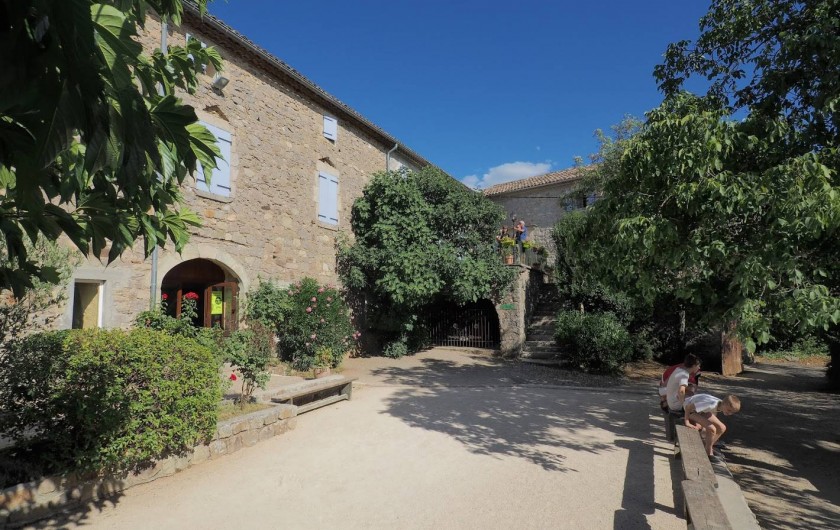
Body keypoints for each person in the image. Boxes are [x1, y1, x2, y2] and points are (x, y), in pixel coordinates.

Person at [683, 393, 741, 463]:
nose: (730, 413)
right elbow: (688, 407)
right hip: (690, 411)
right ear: (724, 404)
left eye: (732, 412)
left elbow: (709, 417)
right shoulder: (711, 405)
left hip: (701, 411)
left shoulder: (720, 405)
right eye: (729, 410)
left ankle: (708, 446)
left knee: (722, 428)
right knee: (712, 428)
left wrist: (701, 424)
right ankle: (708, 453)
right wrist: (687, 422)